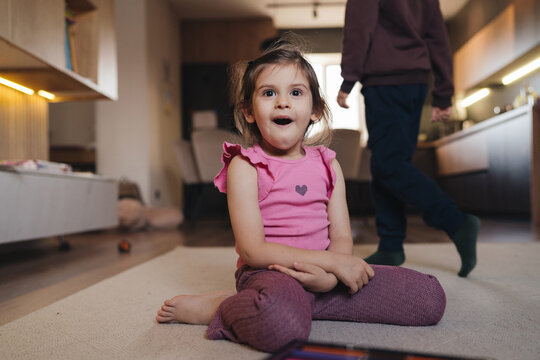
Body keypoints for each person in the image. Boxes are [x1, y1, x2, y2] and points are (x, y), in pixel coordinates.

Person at [156, 37, 446, 353]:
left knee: (429, 298)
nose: (283, 102)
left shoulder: (329, 166)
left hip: (326, 277)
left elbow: (342, 237)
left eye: (296, 93)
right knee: (281, 326)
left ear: (316, 110)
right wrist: (330, 266)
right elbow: (253, 251)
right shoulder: (245, 165)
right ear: (249, 111)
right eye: (269, 93)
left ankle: (304, 305)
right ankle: (223, 306)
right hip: (270, 276)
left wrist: (332, 276)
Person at [337, 0, 480, 277]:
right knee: (385, 162)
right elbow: (437, 34)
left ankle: (457, 222)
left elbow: (359, 26)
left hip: (384, 82)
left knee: (389, 163)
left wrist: (348, 79)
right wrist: (442, 90)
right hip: (415, 83)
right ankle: (391, 244)